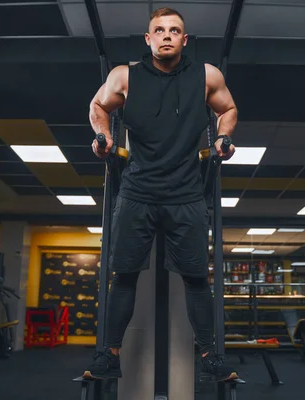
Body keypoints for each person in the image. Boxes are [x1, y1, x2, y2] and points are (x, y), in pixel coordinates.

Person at [84, 7, 238, 382]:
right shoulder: (126, 76)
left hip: (186, 194)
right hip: (138, 190)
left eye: (174, 31)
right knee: (123, 275)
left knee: (197, 278)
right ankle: (110, 355)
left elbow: (228, 109)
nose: (166, 35)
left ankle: (209, 357)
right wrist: (103, 137)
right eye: (159, 30)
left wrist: (223, 137)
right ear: (148, 39)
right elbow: (98, 106)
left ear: (184, 40)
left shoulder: (206, 76)